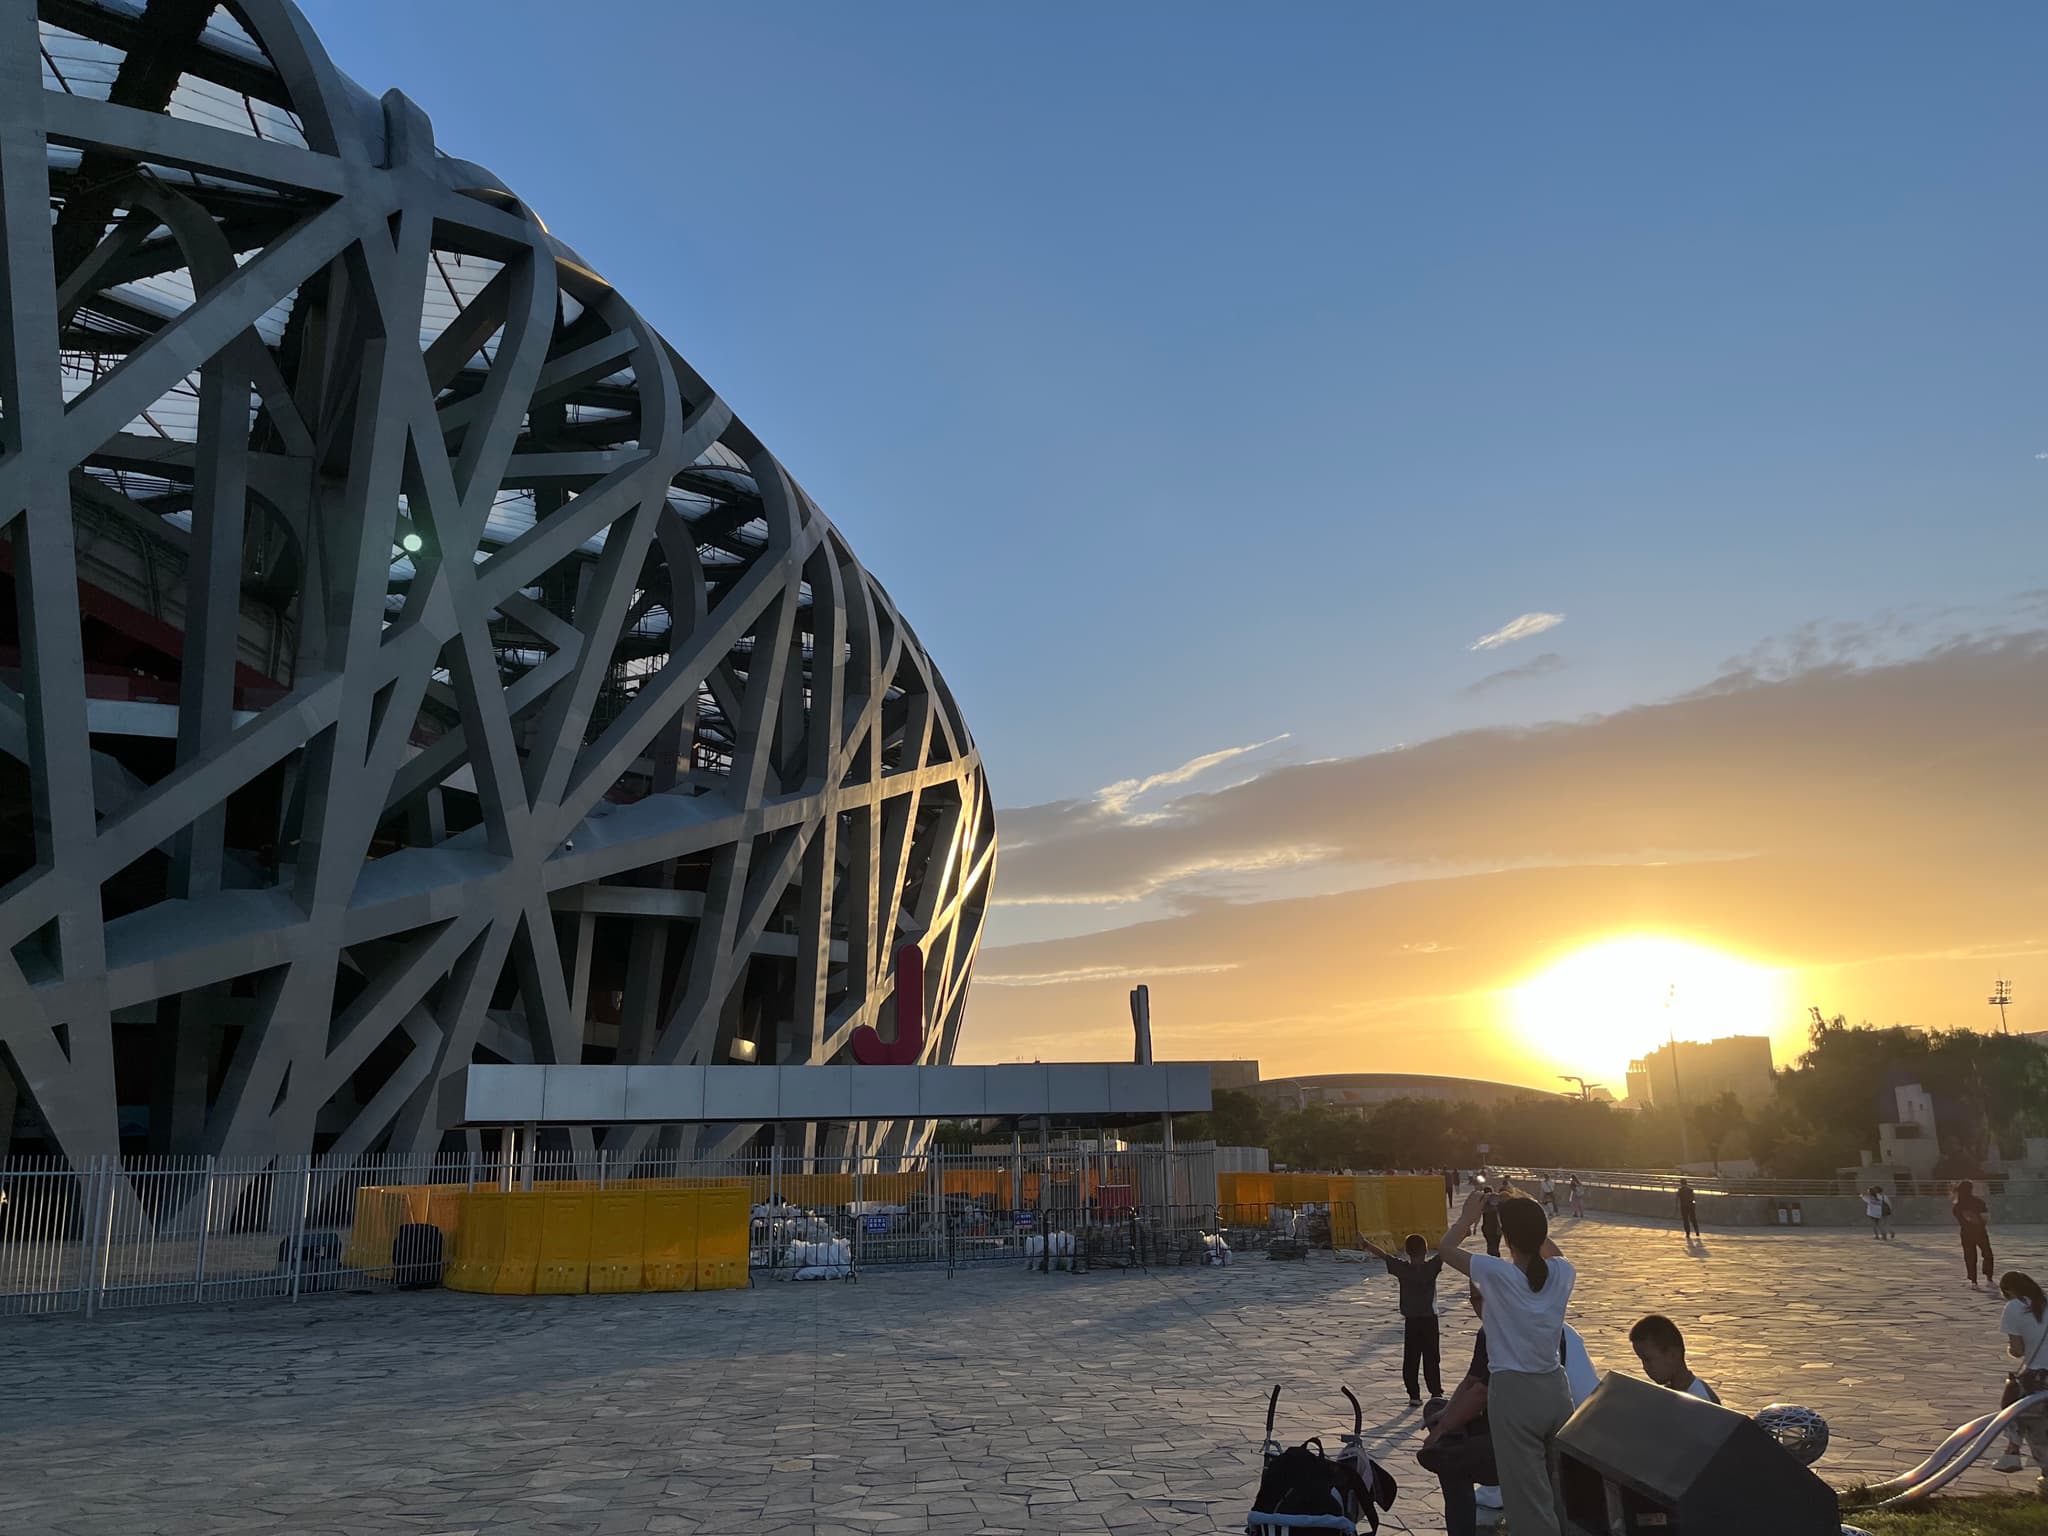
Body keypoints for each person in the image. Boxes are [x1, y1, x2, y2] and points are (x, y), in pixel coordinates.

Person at [1439, 1189, 1574, 1536]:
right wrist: (1520, 1207)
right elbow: (1550, 1252)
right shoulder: (1563, 1271)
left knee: (1527, 1497)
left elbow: (1445, 1249)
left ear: (1506, 1237)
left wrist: (1468, 1218)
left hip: (1515, 1394)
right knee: (1562, 1488)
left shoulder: (1496, 1273)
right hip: (1556, 1389)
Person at [1361, 1232, 1445, 1404]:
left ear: (1407, 1251)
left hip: (1411, 1321)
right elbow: (1446, 1251)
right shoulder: (1431, 1267)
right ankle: (1435, 1392)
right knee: (1431, 1357)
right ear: (1426, 1250)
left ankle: (1414, 1395)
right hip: (1429, 1320)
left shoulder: (1403, 1269)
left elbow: (1384, 1256)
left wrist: (1366, 1244)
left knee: (1411, 1358)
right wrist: (1463, 1233)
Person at [1992, 1271, 2048, 1474]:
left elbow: (2017, 1350)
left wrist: (2011, 1349)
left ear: (2008, 1291)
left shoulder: (2014, 1307)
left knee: (2014, 1406)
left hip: (2039, 1374)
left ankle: (2013, 1451)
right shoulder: (2044, 1302)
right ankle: (2012, 1452)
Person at [1628, 1314, 1720, 1404]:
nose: (1644, 1367)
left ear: (1673, 1355)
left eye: (1647, 1359)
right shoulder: (1666, 1394)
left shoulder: (1703, 1401)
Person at [1954, 1180, 1995, 1287]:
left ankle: (1973, 1281)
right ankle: (1989, 1277)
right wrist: (1979, 1223)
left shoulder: (1957, 1205)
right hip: (1980, 1232)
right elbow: (1985, 1217)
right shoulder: (1978, 1202)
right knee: (1987, 1254)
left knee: (1970, 1257)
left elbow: (1961, 1219)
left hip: (1966, 1234)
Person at [1479, 1185, 1503, 1257]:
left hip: (1487, 1228)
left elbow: (1477, 1214)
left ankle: (1493, 1258)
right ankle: (1495, 1258)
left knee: (1491, 1246)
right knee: (1495, 1246)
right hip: (1496, 1228)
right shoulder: (1498, 1203)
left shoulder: (1483, 1204)